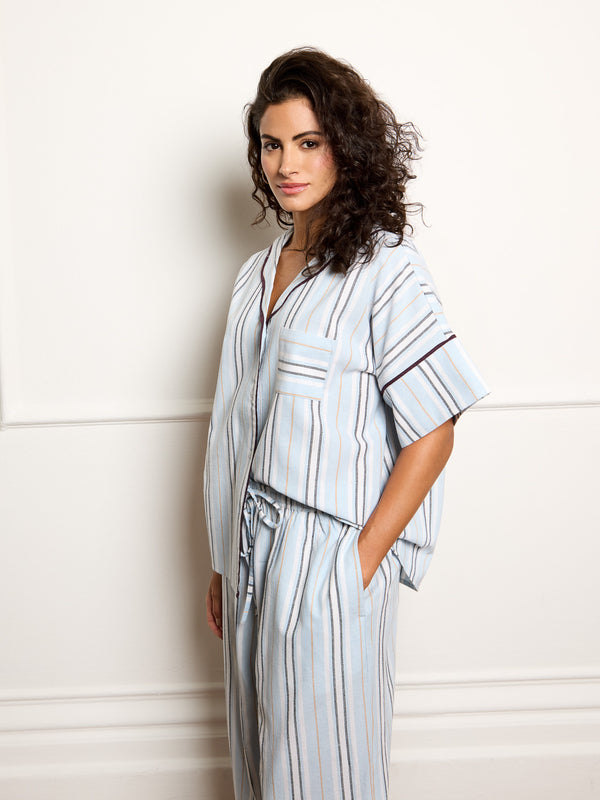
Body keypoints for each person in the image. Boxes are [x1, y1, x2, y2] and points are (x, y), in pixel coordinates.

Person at [204, 47, 490, 800]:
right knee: (261, 770)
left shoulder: (384, 270)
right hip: (248, 555)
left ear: (345, 147)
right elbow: (240, 419)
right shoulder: (254, 274)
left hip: (325, 553)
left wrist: (357, 564)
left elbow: (436, 426)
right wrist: (221, 557)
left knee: (325, 774)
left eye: (308, 142)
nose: (286, 164)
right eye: (272, 143)